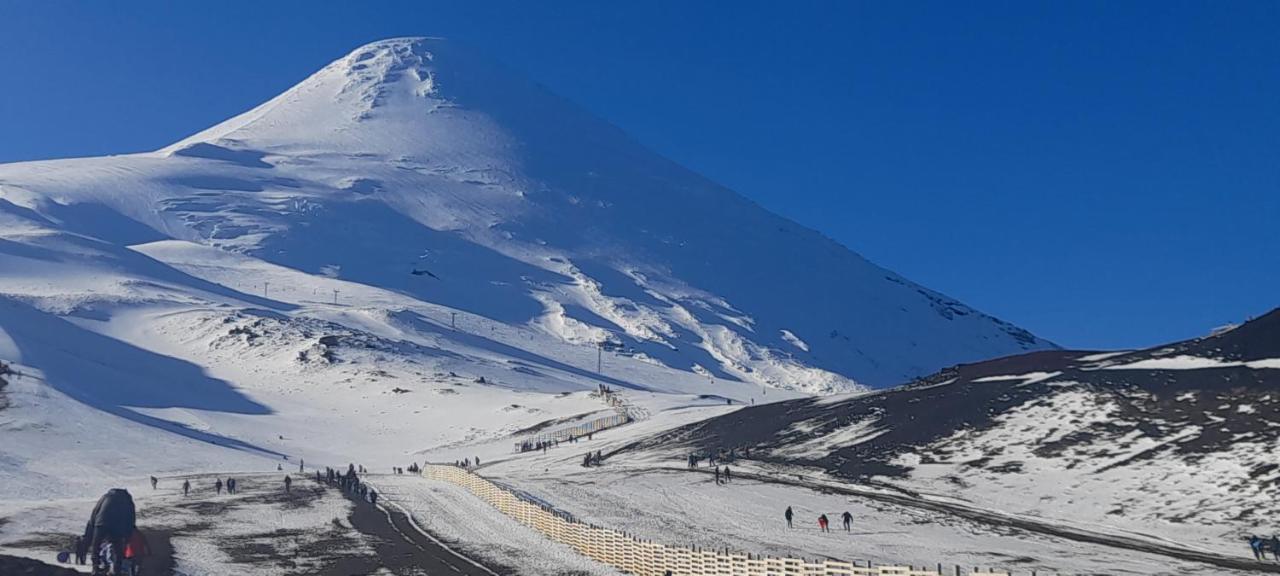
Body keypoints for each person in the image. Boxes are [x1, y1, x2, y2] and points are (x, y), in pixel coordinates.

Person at [83, 488, 136, 575]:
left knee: (96, 546)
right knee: (117, 549)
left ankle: (95, 568)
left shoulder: (106, 496)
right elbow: (131, 518)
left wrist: (92, 525)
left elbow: (95, 511)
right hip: (118, 526)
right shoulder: (127, 500)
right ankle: (116, 569)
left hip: (101, 523)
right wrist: (128, 535)